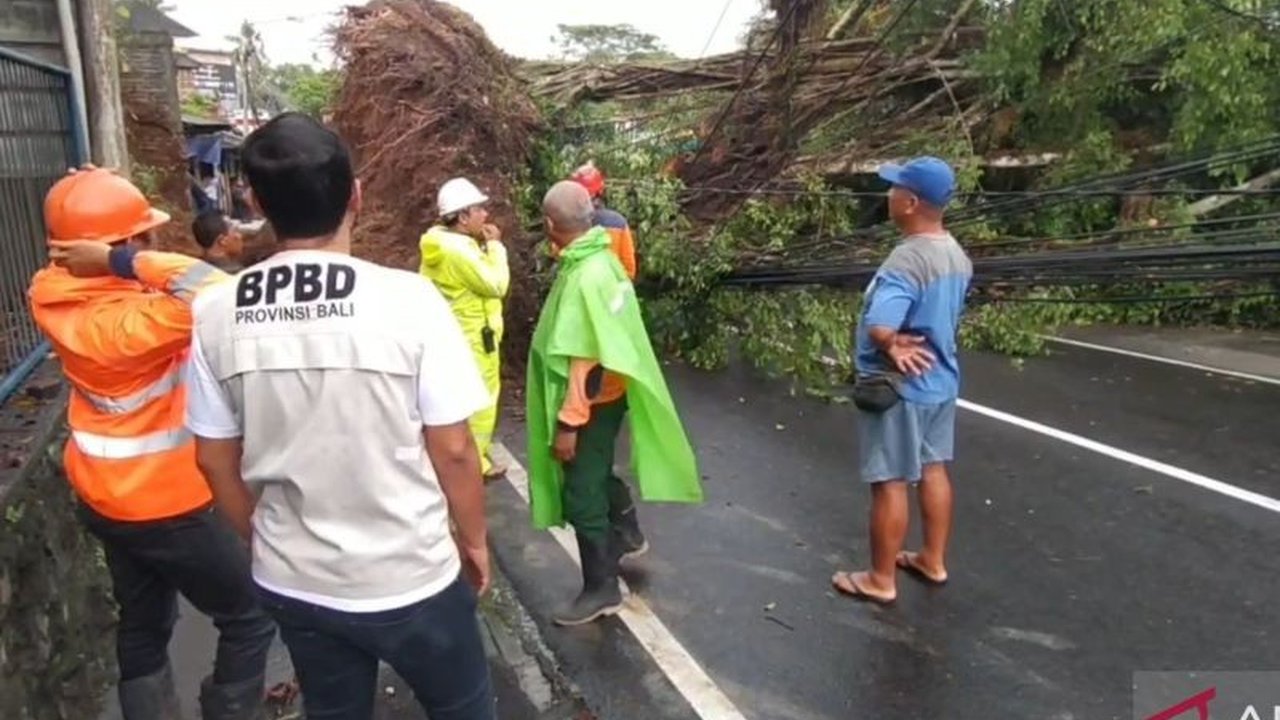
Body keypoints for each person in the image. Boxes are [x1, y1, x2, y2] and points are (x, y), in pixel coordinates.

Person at [184, 113, 495, 720]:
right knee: (463, 708)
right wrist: (475, 541)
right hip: (411, 577)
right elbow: (455, 449)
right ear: (356, 195)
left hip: (295, 582)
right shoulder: (409, 300)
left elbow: (213, 458)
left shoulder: (216, 313)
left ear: (256, 203)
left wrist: (262, 539)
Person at [28, 167, 275, 720]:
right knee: (250, 615)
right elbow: (220, 292)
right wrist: (121, 259)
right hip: (169, 503)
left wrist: (85, 209)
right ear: (123, 244)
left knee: (143, 624)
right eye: (145, 235)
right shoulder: (128, 323)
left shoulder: (52, 293)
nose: (156, 239)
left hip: (103, 496)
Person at [527, 181, 704, 626]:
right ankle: (626, 530)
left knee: (581, 491)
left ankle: (601, 588)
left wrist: (569, 424)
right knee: (598, 468)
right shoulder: (602, 259)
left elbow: (585, 358)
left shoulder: (585, 277)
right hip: (610, 396)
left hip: (589, 404)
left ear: (550, 224)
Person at [832, 156, 973, 605]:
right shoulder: (955, 253)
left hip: (900, 388)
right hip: (940, 383)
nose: (888, 195)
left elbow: (881, 322)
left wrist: (890, 344)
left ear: (910, 203)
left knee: (890, 479)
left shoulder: (908, 259)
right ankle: (932, 559)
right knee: (933, 469)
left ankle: (880, 579)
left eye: (894, 189)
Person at [419, 177, 509, 480]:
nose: (485, 214)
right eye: (478, 209)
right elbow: (496, 284)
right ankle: (474, 465)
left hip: (459, 335)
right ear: (462, 217)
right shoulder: (457, 251)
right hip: (474, 339)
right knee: (480, 404)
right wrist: (495, 247)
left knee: (460, 401)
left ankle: (468, 458)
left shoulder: (442, 244)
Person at [569, 162, 637, 279]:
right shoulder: (618, 222)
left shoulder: (568, 223)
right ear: (600, 191)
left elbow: (558, 255)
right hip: (611, 286)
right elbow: (629, 270)